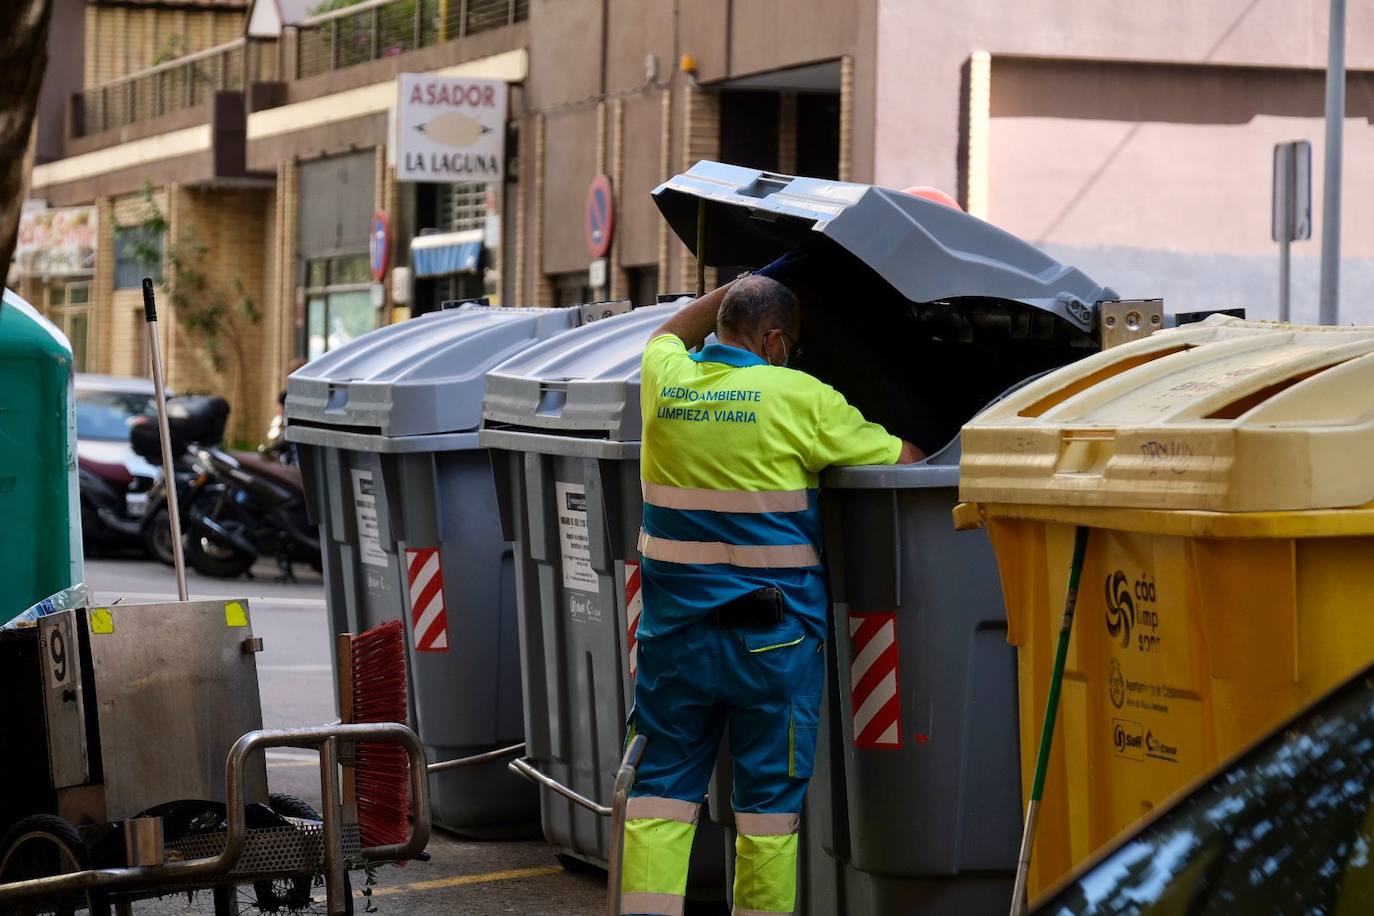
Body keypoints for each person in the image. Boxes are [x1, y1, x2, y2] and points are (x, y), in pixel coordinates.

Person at [621, 273, 921, 916]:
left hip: (674, 642)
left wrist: (732, 283)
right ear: (777, 340)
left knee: (659, 797)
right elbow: (909, 466)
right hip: (772, 644)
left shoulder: (665, 379)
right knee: (765, 812)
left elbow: (665, 333)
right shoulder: (799, 397)